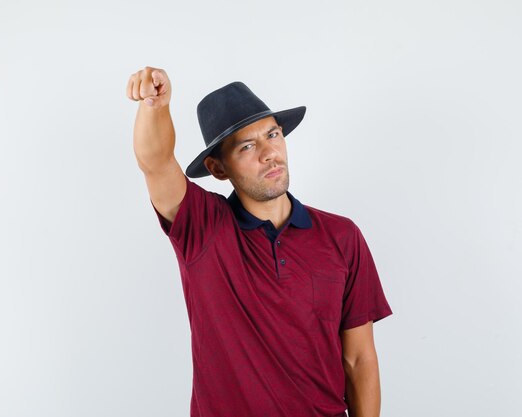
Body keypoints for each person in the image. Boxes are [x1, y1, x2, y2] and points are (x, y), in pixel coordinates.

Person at [126, 66, 393, 417]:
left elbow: (359, 359)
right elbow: (156, 163)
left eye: (273, 135)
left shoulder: (342, 236)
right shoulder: (203, 228)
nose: (269, 153)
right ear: (218, 168)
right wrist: (154, 107)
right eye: (247, 146)